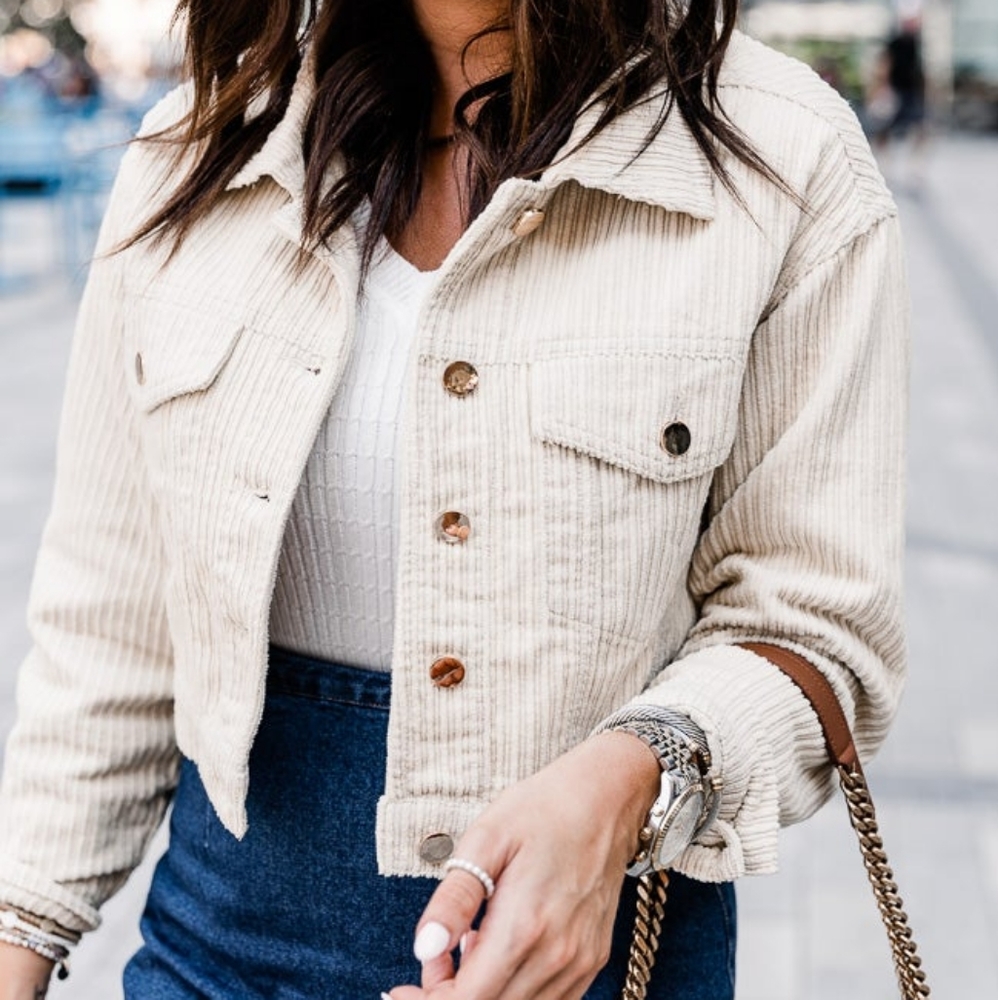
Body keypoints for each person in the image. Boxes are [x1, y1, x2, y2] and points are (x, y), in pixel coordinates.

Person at [0, 0, 909, 997]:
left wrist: (626, 778)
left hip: (594, 963)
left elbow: (818, 627)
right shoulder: (196, 151)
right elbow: (109, 633)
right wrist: (19, 928)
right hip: (214, 956)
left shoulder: (780, 158)